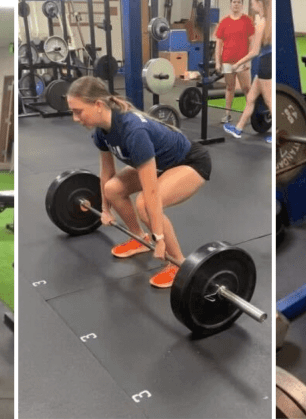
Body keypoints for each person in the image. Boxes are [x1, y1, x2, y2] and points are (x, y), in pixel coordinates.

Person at [66, 76, 212, 288]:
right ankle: (138, 237)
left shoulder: (133, 131)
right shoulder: (102, 131)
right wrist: (105, 209)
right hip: (161, 164)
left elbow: (151, 191)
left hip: (191, 162)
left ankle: (178, 263)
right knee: (112, 189)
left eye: (78, 111)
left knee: (145, 204)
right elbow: (106, 172)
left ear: (98, 105)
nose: (75, 118)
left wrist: (159, 239)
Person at [222, 0, 272, 142]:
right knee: (250, 98)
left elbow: (254, 51)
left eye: (253, 2)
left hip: (265, 65)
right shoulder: (268, 21)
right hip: (266, 63)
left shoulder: (262, 24)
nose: (251, 5)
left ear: (259, 4)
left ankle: (277, 133)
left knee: (269, 101)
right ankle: (238, 129)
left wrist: (238, 63)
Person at [213, 0, 254, 125]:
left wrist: (248, 60)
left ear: (242, 5)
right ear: (231, 4)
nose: (236, 4)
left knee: (247, 88)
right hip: (227, 60)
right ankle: (227, 114)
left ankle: (249, 115)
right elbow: (218, 44)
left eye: (239, 2)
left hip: (242, 61)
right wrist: (217, 62)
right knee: (230, 88)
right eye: (234, 2)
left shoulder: (247, 20)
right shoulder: (224, 21)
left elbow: (252, 42)